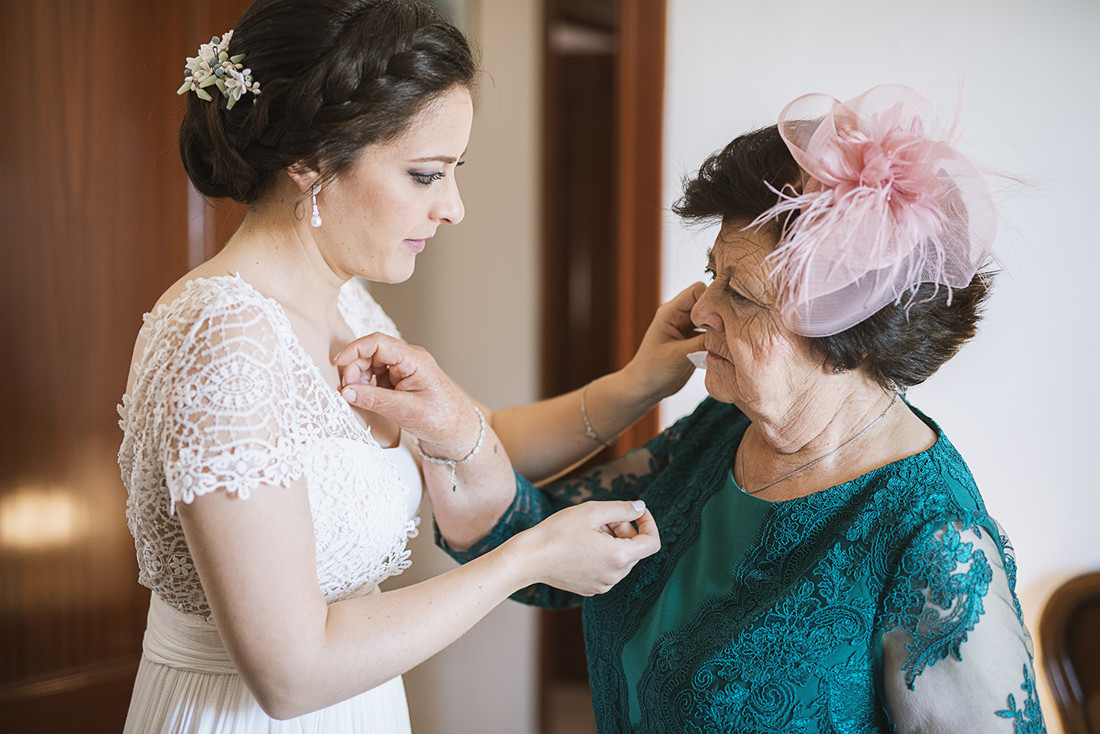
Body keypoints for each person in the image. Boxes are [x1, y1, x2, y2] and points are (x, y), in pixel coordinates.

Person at [342, 85, 1047, 732]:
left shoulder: (937, 549)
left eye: (738, 293)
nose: (699, 308)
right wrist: (446, 425)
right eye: (712, 271)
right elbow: (531, 536)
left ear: (846, 335)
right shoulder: (724, 431)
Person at [117, 1, 702, 730]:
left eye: (454, 171)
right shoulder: (226, 342)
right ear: (311, 164)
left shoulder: (348, 306)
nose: (454, 208)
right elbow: (290, 674)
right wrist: (526, 558)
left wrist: (636, 384)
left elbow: (468, 441)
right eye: (427, 175)